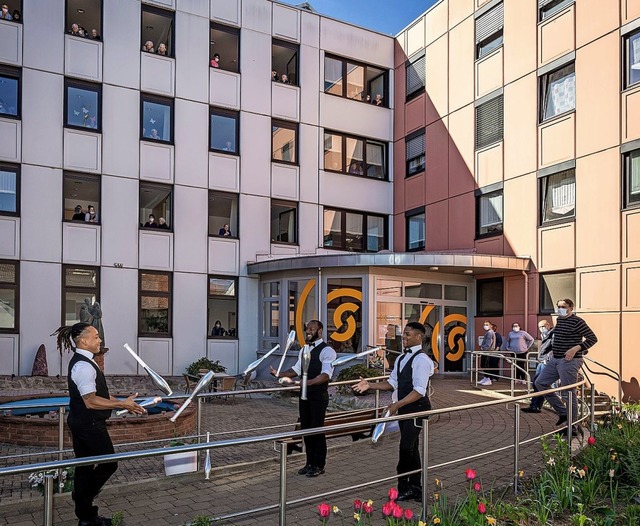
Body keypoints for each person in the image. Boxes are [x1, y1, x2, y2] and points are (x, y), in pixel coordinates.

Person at [52, 322, 144, 526]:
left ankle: (86, 518)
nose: (99, 339)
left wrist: (123, 402)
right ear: (83, 340)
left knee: (84, 467)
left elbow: (99, 394)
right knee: (109, 464)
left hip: (82, 422)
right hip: (89, 424)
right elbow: (90, 400)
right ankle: (81, 497)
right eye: (95, 336)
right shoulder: (83, 365)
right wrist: (121, 404)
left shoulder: (86, 362)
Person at [353, 322, 434, 502]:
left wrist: (397, 405)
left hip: (417, 409)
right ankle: (415, 488)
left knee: (406, 448)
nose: (403, 337)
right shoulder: (400, 358)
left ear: (419, 337)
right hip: (405, 408)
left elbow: (419, 390)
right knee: (411, 448)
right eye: (403, 334)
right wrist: (370, 385)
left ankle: (404, 486)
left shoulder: (422, 360)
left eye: (407, 334)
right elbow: (392, 383)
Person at [270, 320, 336, 478]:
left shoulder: (328, 351)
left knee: (317, 430)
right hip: (304, 394)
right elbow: (296, 369)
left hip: (318, 395)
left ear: (320, 332)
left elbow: (326, 374)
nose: (308, 332)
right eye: (307, 329)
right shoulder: (304, 349)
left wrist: (308, 382)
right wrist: (280, 374)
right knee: (306, 429)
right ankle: (309, 463)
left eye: (311, 329)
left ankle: (319, 465)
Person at [535, 299, 597, 434]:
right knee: (540, 383)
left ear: (571, 308)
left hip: (570, 361)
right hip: (555, 359)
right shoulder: (560, 320)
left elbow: (593, 338)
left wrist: (575, 348)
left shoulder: (578, 321)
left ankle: (572, 427)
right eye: (559, 306)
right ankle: (564, 412)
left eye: (563, 307)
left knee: (568, 393)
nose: (560, 309)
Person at [521, 320, 554, 413]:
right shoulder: (544, 335)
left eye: (543, 326)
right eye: (539, 327)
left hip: (546, 363)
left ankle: (536, 405)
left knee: (539, 383)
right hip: (542, 362)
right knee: (536, 383)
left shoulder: (552, 334)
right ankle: (535, 405)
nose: (541, 329)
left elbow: (553, 348)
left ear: (548, 325)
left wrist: (547, 359)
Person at [478, 320, 498, 386]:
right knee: (483, 365)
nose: (485, 326)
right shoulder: (489, 332)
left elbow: (489, 343)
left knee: (485, 365)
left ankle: (488, 379)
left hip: (488, 351)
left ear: (490, 325)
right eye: (484, 324)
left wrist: (483, 348)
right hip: (487, 351)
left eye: (487, 324)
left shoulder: (490, 332)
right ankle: (485, 377)